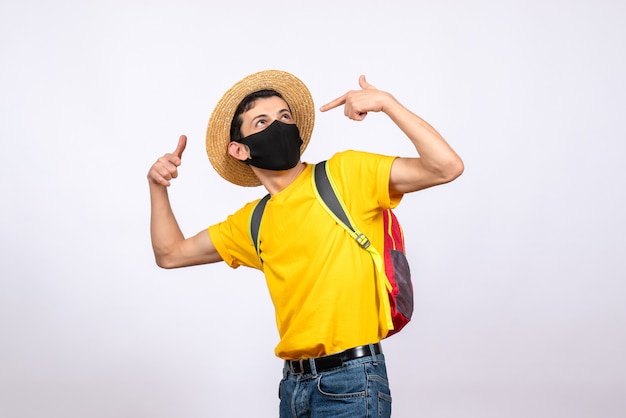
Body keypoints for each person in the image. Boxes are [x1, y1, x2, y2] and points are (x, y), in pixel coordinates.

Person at [147, 69, 463, 417]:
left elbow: (445, 167)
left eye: (285, 116)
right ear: (239, 149)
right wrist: (157, 187)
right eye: (262, 122)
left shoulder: (345, 174)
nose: (279, 126)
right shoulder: (253, 221)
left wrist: (388, 104)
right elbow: (170, 254)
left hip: (353, 384)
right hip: (293, 389)